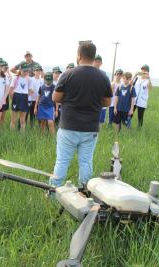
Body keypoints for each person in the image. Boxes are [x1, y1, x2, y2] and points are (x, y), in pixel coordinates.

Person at [49, 41, 112, 188]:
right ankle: (85, 193)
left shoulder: (68, 74)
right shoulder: (103, 77)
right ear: (94, 56)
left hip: (68, 126)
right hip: (90, 128)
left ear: (78, 56)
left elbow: (55, 98)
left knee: (62, 161)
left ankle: (53, 191)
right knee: (86, 162)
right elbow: (107, 102)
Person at [10, 63, 33, 132]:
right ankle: (12, 134)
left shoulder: (29, 79)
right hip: (16, 96)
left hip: (24, 97)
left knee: (23, 119)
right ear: (20, 70)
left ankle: (22, 134)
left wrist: (26, 96)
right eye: (24, 71)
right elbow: (11, 90)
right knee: (13, 119)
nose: (25, 72)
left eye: (27, 71)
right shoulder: (15, 78)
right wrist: (13, 98)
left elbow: (31, 90)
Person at [93, 54, 108, 126]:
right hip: (90, 102)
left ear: (101, 63)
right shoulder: (88, 72)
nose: (97, 63)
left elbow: (106, 89)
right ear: (93, 61)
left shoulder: (103, 74)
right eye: (96, 61)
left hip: (99, 101)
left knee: (100, 123)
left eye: (99, 61)